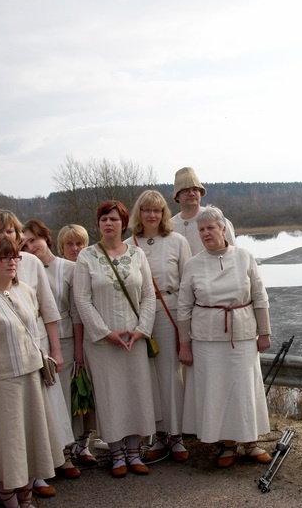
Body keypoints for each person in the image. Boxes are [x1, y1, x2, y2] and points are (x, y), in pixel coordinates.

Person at [0, 209, 73, 498]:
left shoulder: (25, 289)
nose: (11, 262)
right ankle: (9, 499)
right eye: (3, 258)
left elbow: (42, 317)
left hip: (29, 375)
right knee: (7, 445)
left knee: (30, 440)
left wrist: (49, 354)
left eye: (14, 257)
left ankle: (27, 496)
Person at [177, 205, 273, 468]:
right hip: (206, 340)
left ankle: (250, 442)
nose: (206, 233)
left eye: (210, 228)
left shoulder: (244, 257)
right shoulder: (193, 265)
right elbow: (183, 307)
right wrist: (184, 345)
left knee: (243, 389)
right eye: (201, 229)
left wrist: (264, 332)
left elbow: (259, 296)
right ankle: (228, 445)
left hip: (242, 336)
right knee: (217, 391)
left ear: (223, 229)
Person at [72, 200, 158, 478]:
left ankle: (134, 452)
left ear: (124, 224)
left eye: (114, 219)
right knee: (111, 396)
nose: (108, 223)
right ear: (98, 224)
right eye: (104, 219)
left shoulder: (137, 254)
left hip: (134, 339)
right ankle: (117, 454)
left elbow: (149, 295)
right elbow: (82, 300)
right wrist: (104, 332)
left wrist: (141, 329)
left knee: (135, 393)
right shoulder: (86, 256)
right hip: (102, 343)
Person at [22, 219, 98, 474]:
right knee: (55, 398)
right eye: (25, 243)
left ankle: (80, 445)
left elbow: (77, 311)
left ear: (46, 238)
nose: (30, 246)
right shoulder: (24, 269)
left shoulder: (68, 269)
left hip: (67, 338)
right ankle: (59, 453)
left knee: (76, 392)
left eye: (34, 240)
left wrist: (78, 351)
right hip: (38, 339)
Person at [126, 190, 192, 463]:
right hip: (136, 313)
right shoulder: (127, 245)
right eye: (146, 210)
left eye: (157, 210)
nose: (151, 215)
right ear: (139, 213)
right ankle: (157, 435)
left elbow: (188, 282)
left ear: (164, 213)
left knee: (169, 374)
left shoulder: (177, 241)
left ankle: (175, 435)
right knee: (146, 376)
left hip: (168, 309)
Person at [171, 167, 237, 254]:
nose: (191, 193)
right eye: (186, 190)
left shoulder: (216, 219)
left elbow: (234, 254)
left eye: (195, 189)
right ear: (177, 196)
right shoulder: (169, 226)